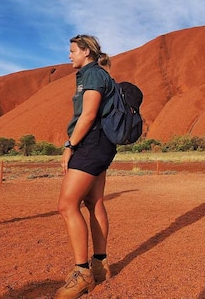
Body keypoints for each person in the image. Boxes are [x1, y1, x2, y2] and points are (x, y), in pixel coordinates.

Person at [55, 35, 118, 298]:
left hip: (91, 143)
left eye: (72, 51)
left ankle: (82, 274)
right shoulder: (99, 74)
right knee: (94, 202)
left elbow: (89, 114)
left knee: (67, 205)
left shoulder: (92, 75)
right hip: (102, 143)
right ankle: (100, 266)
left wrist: (70, 146)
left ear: (85, 52)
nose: (69, 56)